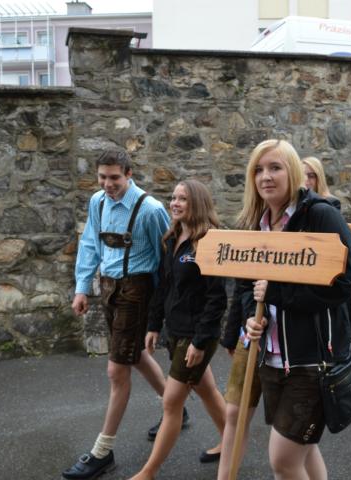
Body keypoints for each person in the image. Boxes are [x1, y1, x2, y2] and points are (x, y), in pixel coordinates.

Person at [243, 139, 351, 479]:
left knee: (283, 461)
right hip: (271, 358)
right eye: (258, 170)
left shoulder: (321, 215)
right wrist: (251, 316)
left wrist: (278, 294)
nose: (266, 176)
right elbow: (248, 283)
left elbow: (342, 285)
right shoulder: (257, 222)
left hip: (311, 360)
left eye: (275, 168)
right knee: (304, 453)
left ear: (293, 171)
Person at [63, 150, 170, 480]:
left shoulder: (151, 210)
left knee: (116, 370)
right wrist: (82, 288)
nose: (108, 184)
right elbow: (89, 246)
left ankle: (102, 451)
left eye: (114, 178)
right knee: (134, 355)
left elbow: (165, 261)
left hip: (137, 291)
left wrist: (159, 311)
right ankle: (174, 406)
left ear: (129, 174)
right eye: (102, 177)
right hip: (108, 287)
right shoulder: (97, 202)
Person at [129, 180, 227, 479]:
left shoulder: (210, 241)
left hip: (197, 335)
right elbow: (165, 286)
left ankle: (149, 471)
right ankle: (232, 441)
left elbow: (217, 298)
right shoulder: (172, 238)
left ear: (197, 202)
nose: (174, 203)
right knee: (206, 390)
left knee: (171, 403)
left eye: (182, 198)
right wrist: (153, 325)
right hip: (176, 330)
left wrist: (200, 341)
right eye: (173, 197)